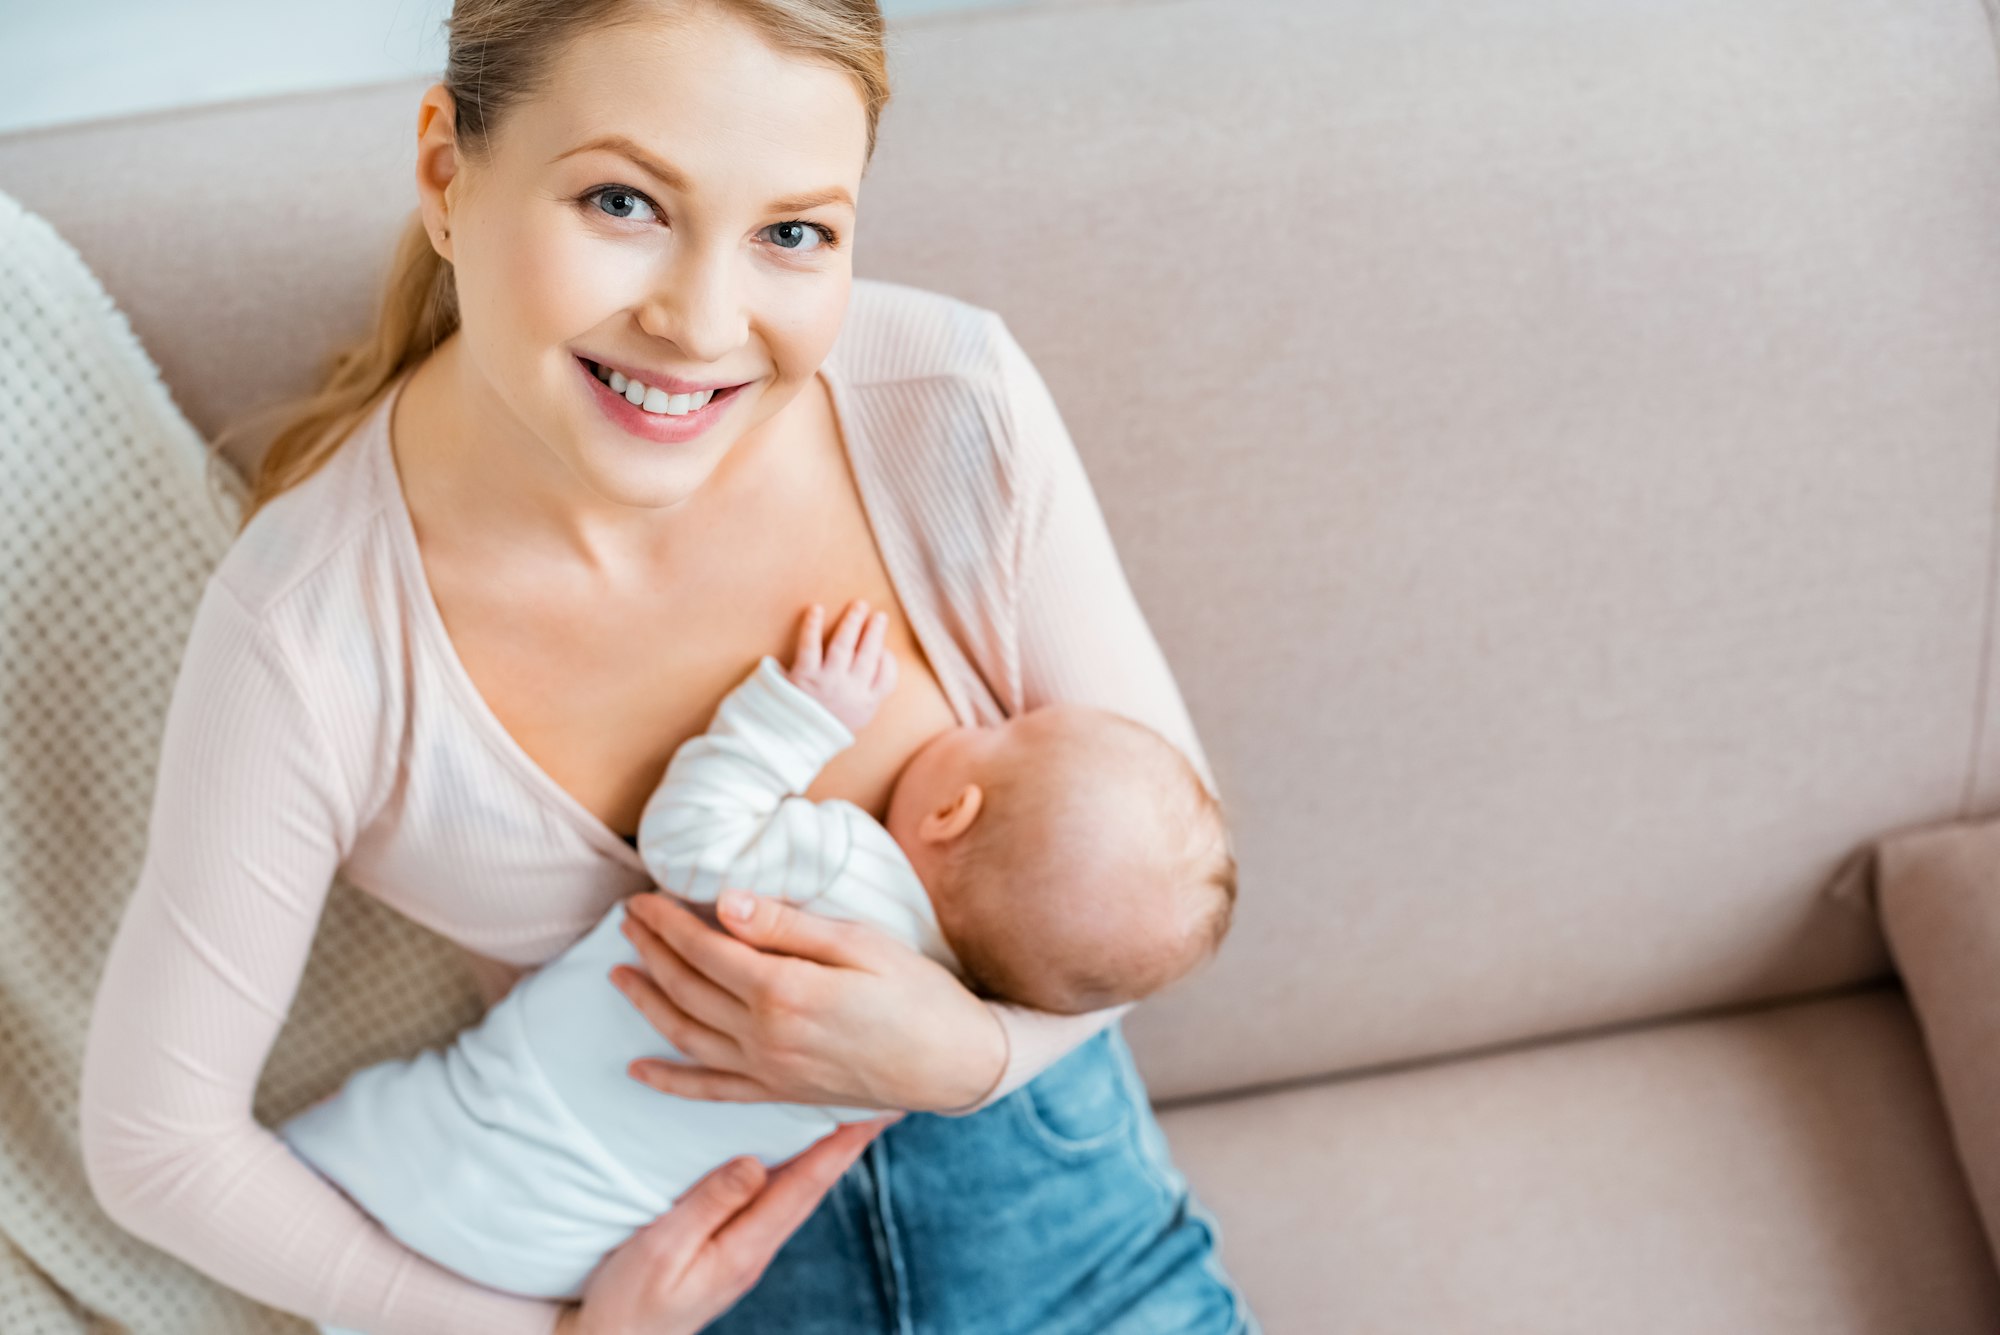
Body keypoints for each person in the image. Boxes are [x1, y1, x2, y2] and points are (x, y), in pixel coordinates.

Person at [77, 1, 1260, 1332]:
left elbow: (1172, 866)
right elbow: (153, 1141)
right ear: (444, 172)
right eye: (625, 200)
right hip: (699, 1282)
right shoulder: (311, 632)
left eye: (794, 232)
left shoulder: (946, 400)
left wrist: (964, 1053)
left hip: (1078, 1236)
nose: (701, 323)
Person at [274, 592, 1238, 1307]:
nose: (979, 717)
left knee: (326, 1174)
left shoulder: (840, 872)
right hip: (593, 1228)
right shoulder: (910, 1034)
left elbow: (687, 840)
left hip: (511, 1121)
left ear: (951, 811)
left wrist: (798, 720)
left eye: (1001, 732)